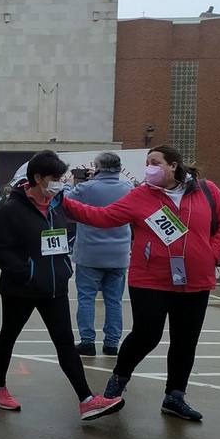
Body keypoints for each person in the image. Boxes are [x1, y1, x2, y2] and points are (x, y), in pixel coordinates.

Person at [63, 145, 220, 421]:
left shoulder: (207, 191)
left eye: (155, 162)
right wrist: (62, 202)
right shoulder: (140, 195)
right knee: (147, 334)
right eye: (147, 163)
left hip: (195, 280)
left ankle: (175, 396)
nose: (149, 168)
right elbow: (102, 217)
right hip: (150, 279)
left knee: (185, 340)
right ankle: (118, 380)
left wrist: (213, 253)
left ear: (173, 165)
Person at [0, 152, 126, 420]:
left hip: (55, 287)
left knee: (64, 342)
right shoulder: (12, 209)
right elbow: (0, 250)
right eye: (55, 178)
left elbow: (92, 218)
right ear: (38, 178)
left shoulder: (59, 205)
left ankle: (86, 399)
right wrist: (26, 271)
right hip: (21, 288)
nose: (60, 183)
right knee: (8, 336)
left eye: (61, 178)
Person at [71, 152, 133, 356]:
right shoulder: (128, 189)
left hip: (90, 253)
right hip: (119, 254)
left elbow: (65, 199)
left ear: (98, 167)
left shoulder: (86, 188)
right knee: (114, 301)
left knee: (86, 298)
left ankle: (87, 341)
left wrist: (80, 180)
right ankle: (112, 342)